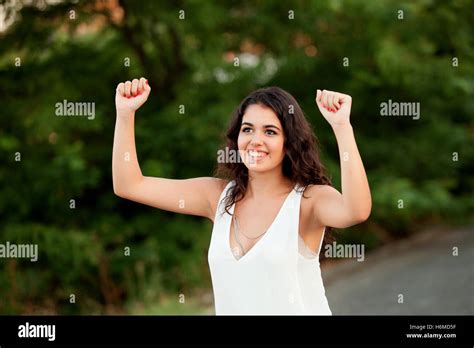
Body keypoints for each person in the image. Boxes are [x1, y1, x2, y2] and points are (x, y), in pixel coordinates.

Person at [113, 77, 372, 315]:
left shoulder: (308, 200)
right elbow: (129, 185)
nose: (255, 140)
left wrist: (342, 127)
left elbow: (357, 210)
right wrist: (125, 114)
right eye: (247, 129)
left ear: (289, 141)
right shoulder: (216, 196)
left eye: (270, 132)